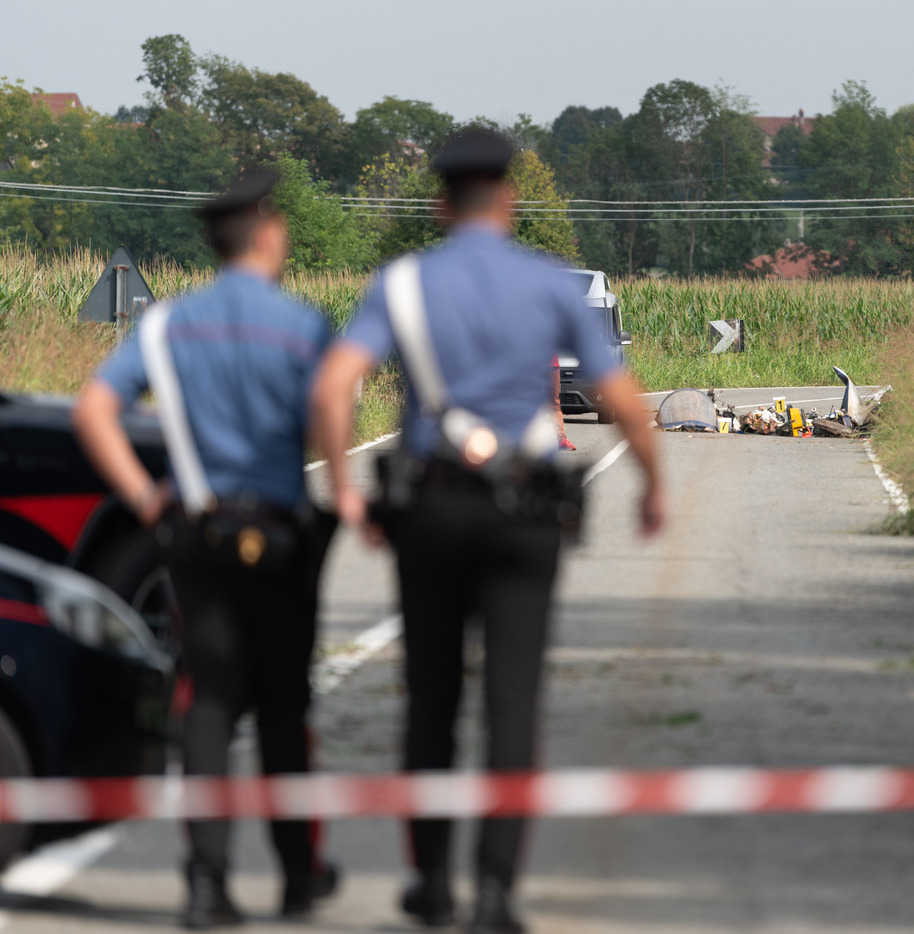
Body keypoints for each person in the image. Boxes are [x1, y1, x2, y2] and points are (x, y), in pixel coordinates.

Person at [310, 128, 664, 933]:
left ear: (439, 203)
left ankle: (430, 881)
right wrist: (654, 487)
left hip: (431, 509)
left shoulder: (400, 285)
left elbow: (335, 389)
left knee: (430, 699)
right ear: (508, 198)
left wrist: (344, 489)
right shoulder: (549, 286)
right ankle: (497, 891)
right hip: (524, 516)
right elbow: (624, 397)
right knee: (513, 701)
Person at [72, 169, 340, 930]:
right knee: (287, 704)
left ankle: (205, 883)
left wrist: (145, 496)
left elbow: (96, 409)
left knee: (209, 703)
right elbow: (330, 412)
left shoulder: (164, 326)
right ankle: (298, 874)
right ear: (266, 234)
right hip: (282, 533)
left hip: (196, 530)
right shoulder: (302, 323)